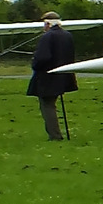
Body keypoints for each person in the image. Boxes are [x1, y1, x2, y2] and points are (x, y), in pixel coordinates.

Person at [28, 11, 78, 140]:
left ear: (47, 23)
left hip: (48, 76)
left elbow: (43, 57)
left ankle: (54, 134)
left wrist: (35, 64)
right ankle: (56, 133)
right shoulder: (68, 35)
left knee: (47, 105)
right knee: (51, 103)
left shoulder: (47, 37)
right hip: (63, 75)